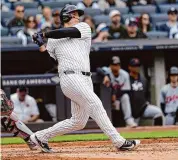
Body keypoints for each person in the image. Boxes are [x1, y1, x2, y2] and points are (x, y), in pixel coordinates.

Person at [31, 4, 140, 153]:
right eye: (74, 14)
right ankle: (118, 141)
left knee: (79, 122)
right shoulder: (53, 40)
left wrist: (44, 34)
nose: (78, 16)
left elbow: (68, 32)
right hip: (70, 77)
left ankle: (40, 136)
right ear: (66, 16)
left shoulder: (83, 28)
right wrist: (41, 45)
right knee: (95, 104)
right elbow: (52, 62)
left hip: (85, 78)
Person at [97, 56, 137, 127]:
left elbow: (126, 90)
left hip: (118, 97)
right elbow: (98, 69)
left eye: (117, 65)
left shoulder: (124, 74)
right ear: (110, 65)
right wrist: (105, 75)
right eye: (114, 65)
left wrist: (114, 94)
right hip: (107, 98)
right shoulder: (107, 70)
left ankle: (129, 120)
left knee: (126, 97)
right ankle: (103, 123)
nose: (116, 67)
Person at [128, 58, 163, 126]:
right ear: (129, 67)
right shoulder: (127, 79)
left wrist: (147, 102)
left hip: (143, 109)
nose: (136, 68)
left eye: (138, 66)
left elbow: (148, 94)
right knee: (133, 130)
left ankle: (157, 134)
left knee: (158, 113)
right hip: (131, 112)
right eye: (134, 66)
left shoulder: (143, 80)